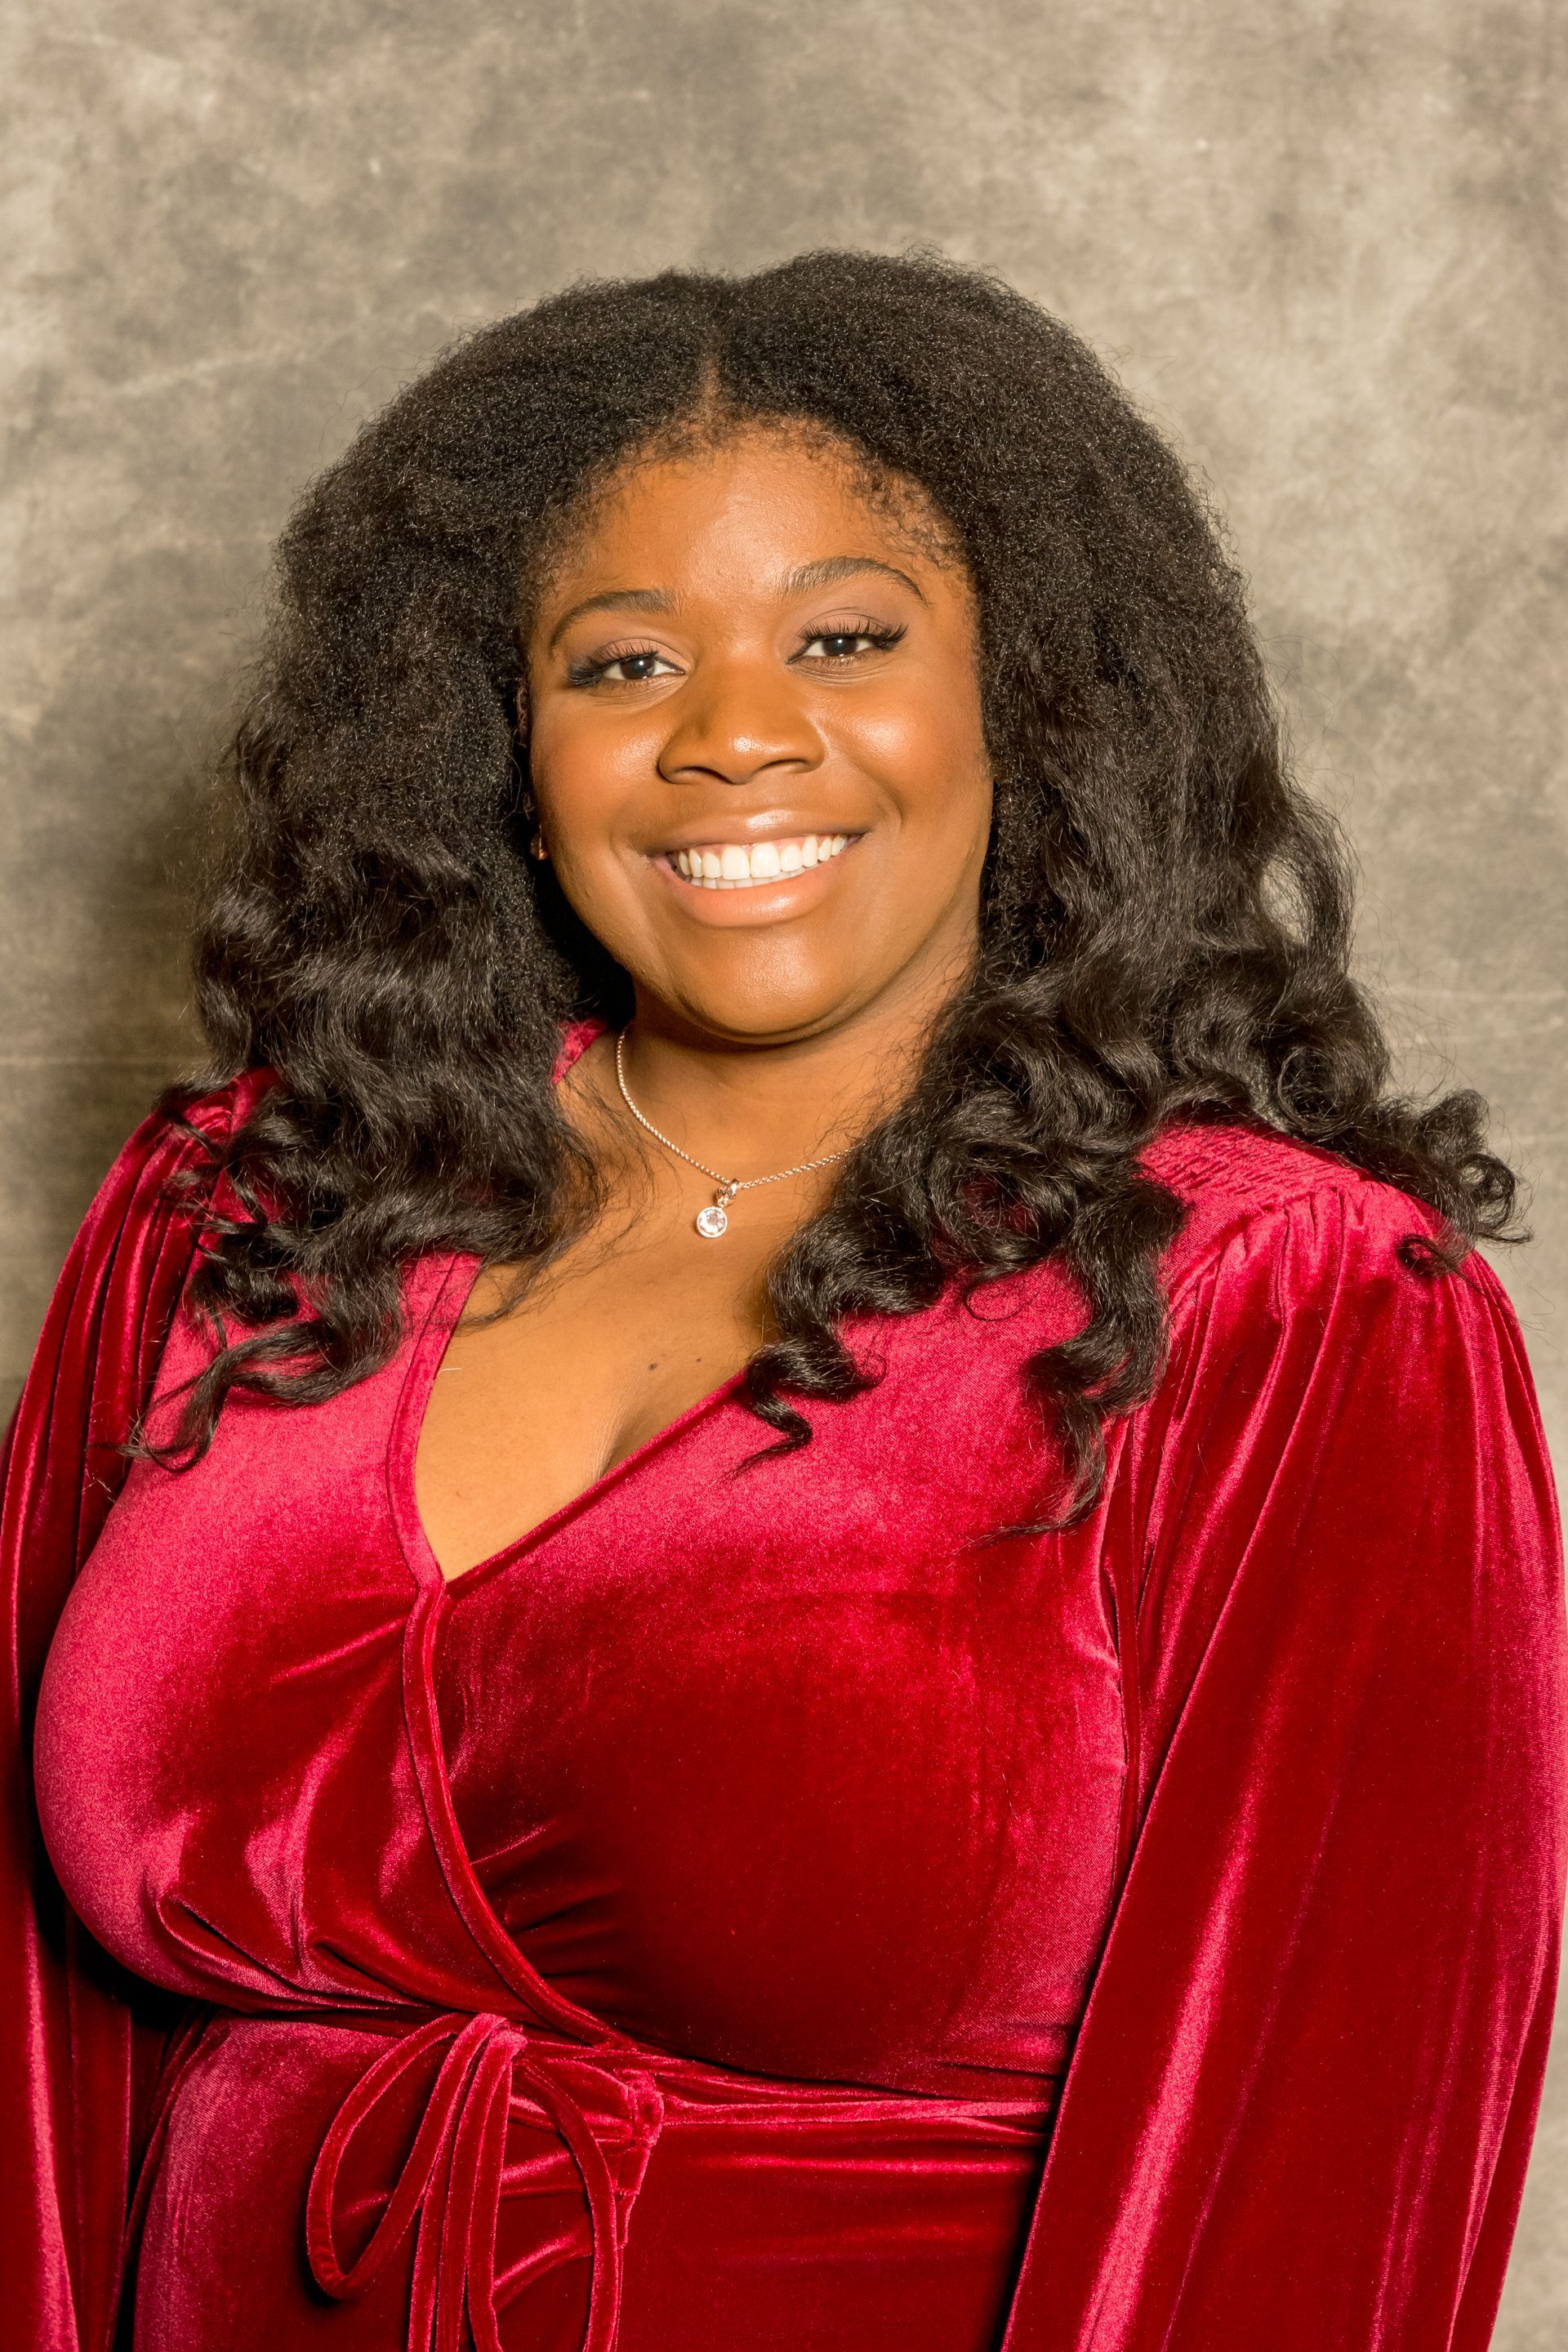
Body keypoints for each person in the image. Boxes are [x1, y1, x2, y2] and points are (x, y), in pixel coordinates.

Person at [3, 250, 1563, 2352]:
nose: (733, 735)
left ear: (1028, 705)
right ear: (507, 751)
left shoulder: (1286, 1303)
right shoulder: (248, 1213)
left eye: (845, 638)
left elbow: (1309, 2195)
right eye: (624, 663)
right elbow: (26, 2075)